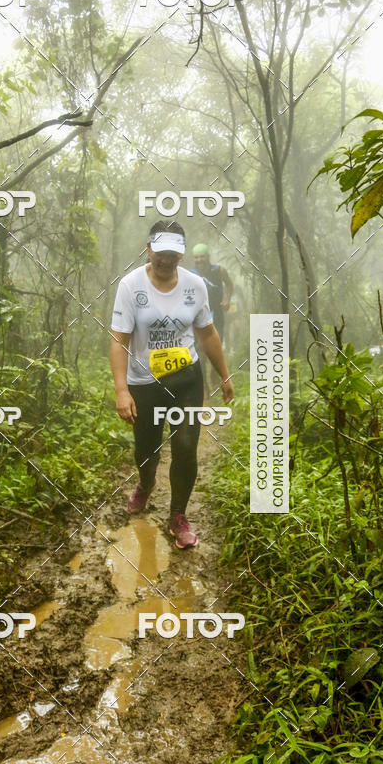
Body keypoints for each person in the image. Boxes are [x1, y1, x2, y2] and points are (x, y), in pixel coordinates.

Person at [109, 221, 234, 549]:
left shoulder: (196, 285)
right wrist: (122, 390)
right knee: (146, 449)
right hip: (144, 382)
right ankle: (146, 483)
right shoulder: (131, 286)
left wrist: (224, 374)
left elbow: (207, 332)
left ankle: (178, 515)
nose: (165, 260)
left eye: (173, 254)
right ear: (148, 249)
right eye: (160, 252)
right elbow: (119, 340)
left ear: (182, 254)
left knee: (185, 445)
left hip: (185, 379)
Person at [191, 243, 233, 341]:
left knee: (216, 343)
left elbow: (229, 285)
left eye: (202, 257)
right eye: (196, 257)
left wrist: (227, 299)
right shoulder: (190, 274)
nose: (199, 260)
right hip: (198, 316)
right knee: (199, 346)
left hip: (217, 313)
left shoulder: (219, 270)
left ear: (208, 257)